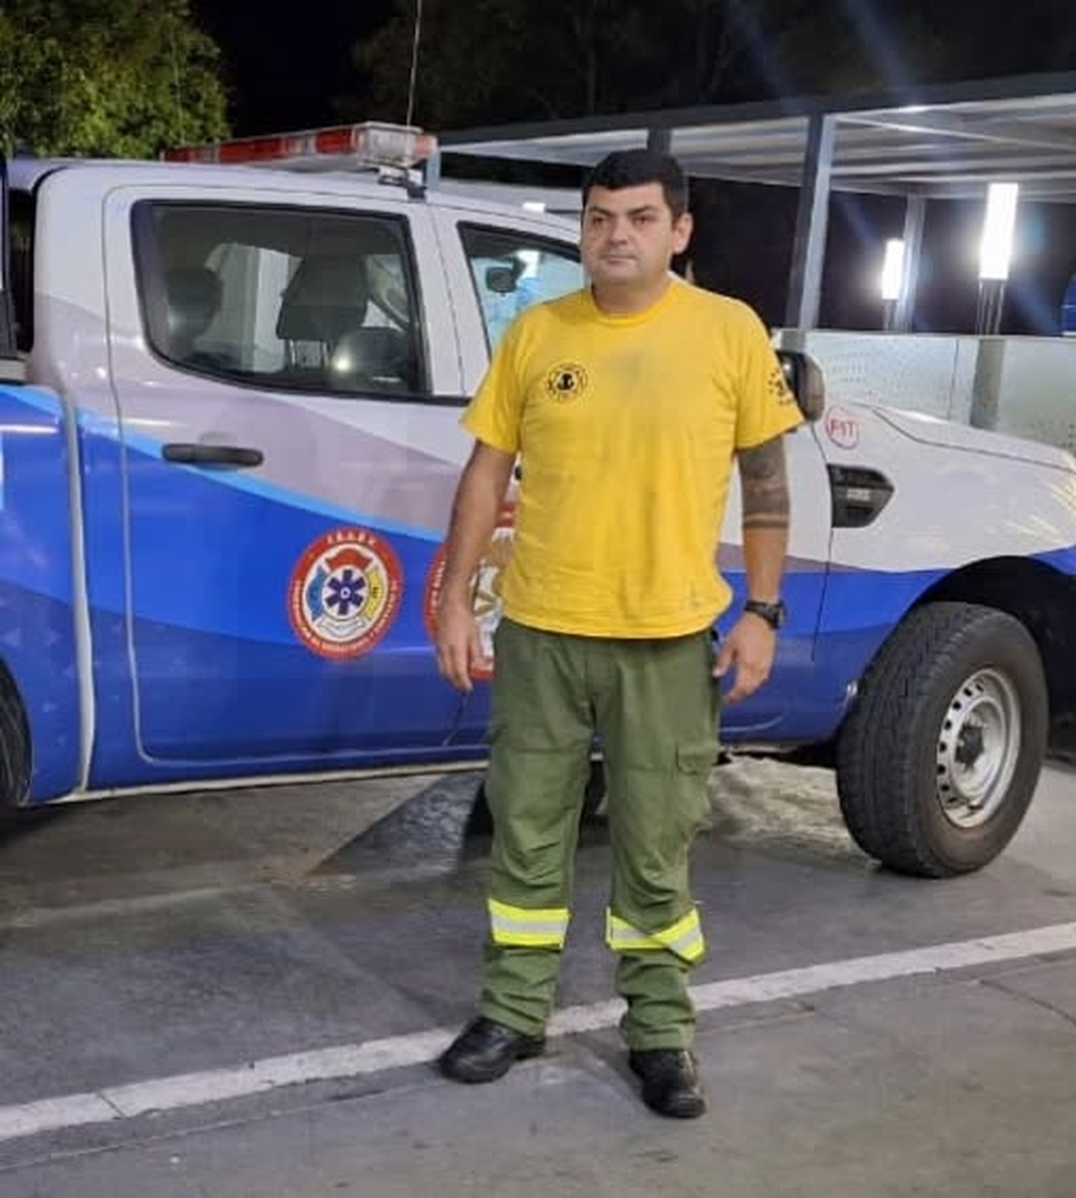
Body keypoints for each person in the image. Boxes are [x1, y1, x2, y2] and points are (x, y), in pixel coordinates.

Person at [434, 148, 801, 1119]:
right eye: (600, 218)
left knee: (655, 847)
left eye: (640, 218)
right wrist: (452, 595)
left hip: (668, 640)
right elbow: (485, 474)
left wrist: (761, 612)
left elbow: (766, 487)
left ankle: (661, 1035)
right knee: (526, 837)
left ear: (679, 231)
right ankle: (512, 1013)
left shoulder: (728, 332)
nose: (617, 236)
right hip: (542, 634)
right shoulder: (536, 332)